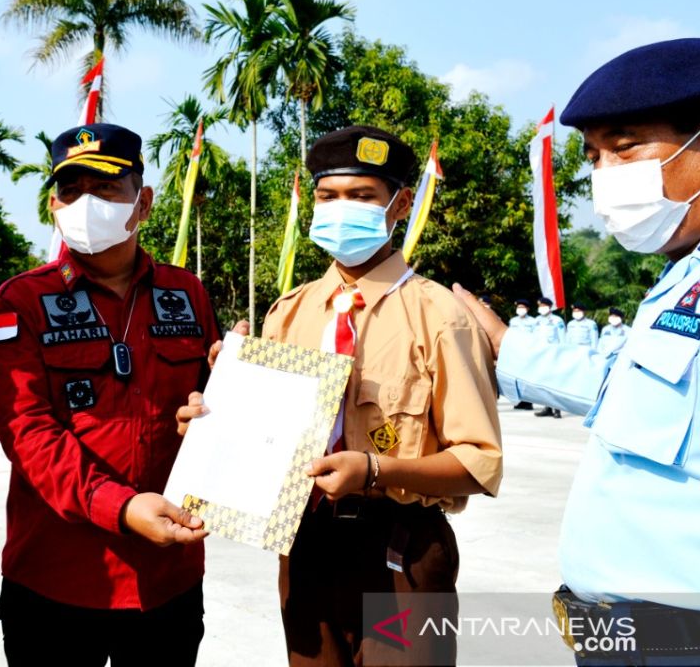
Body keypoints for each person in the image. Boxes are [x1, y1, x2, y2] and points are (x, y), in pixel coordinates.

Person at [456, 38, 700, 666]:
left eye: (625, 147)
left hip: (695, 645)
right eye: (595, 157)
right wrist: (509, 347)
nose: (605, 176)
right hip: (625, 640)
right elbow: (633, 391)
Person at [183, 126, 503, 666]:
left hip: (401, 550)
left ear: (399, 204)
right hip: (306, 541)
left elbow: (479, 463)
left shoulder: (440, 315)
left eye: (361, 196)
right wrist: (219, 413)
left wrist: (376, 471)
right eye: (329, 196)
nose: (341, 209)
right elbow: (267, 442)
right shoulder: (290, 310)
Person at [0, 123, 220, 667]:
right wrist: (122, 506)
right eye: (72, 190)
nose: (87, 202)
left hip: (170, 580)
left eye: (108, 187)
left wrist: (219, 407)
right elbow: (28, 434)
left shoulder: (187, 294)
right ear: (53, 205)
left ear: (144, 202)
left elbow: (208, 404)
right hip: (57, 582)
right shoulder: (19, 303)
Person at [507, 299, 537, 409]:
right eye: (519, 307)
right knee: (517, 377)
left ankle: (529, 402)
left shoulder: (533, 321)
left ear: (528, 309)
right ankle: (521, 400)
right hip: (516, 351)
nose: (520, 309)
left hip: (528, 351)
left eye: (523, 307)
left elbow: (536, 336)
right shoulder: (513, 321)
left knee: (527, 378)